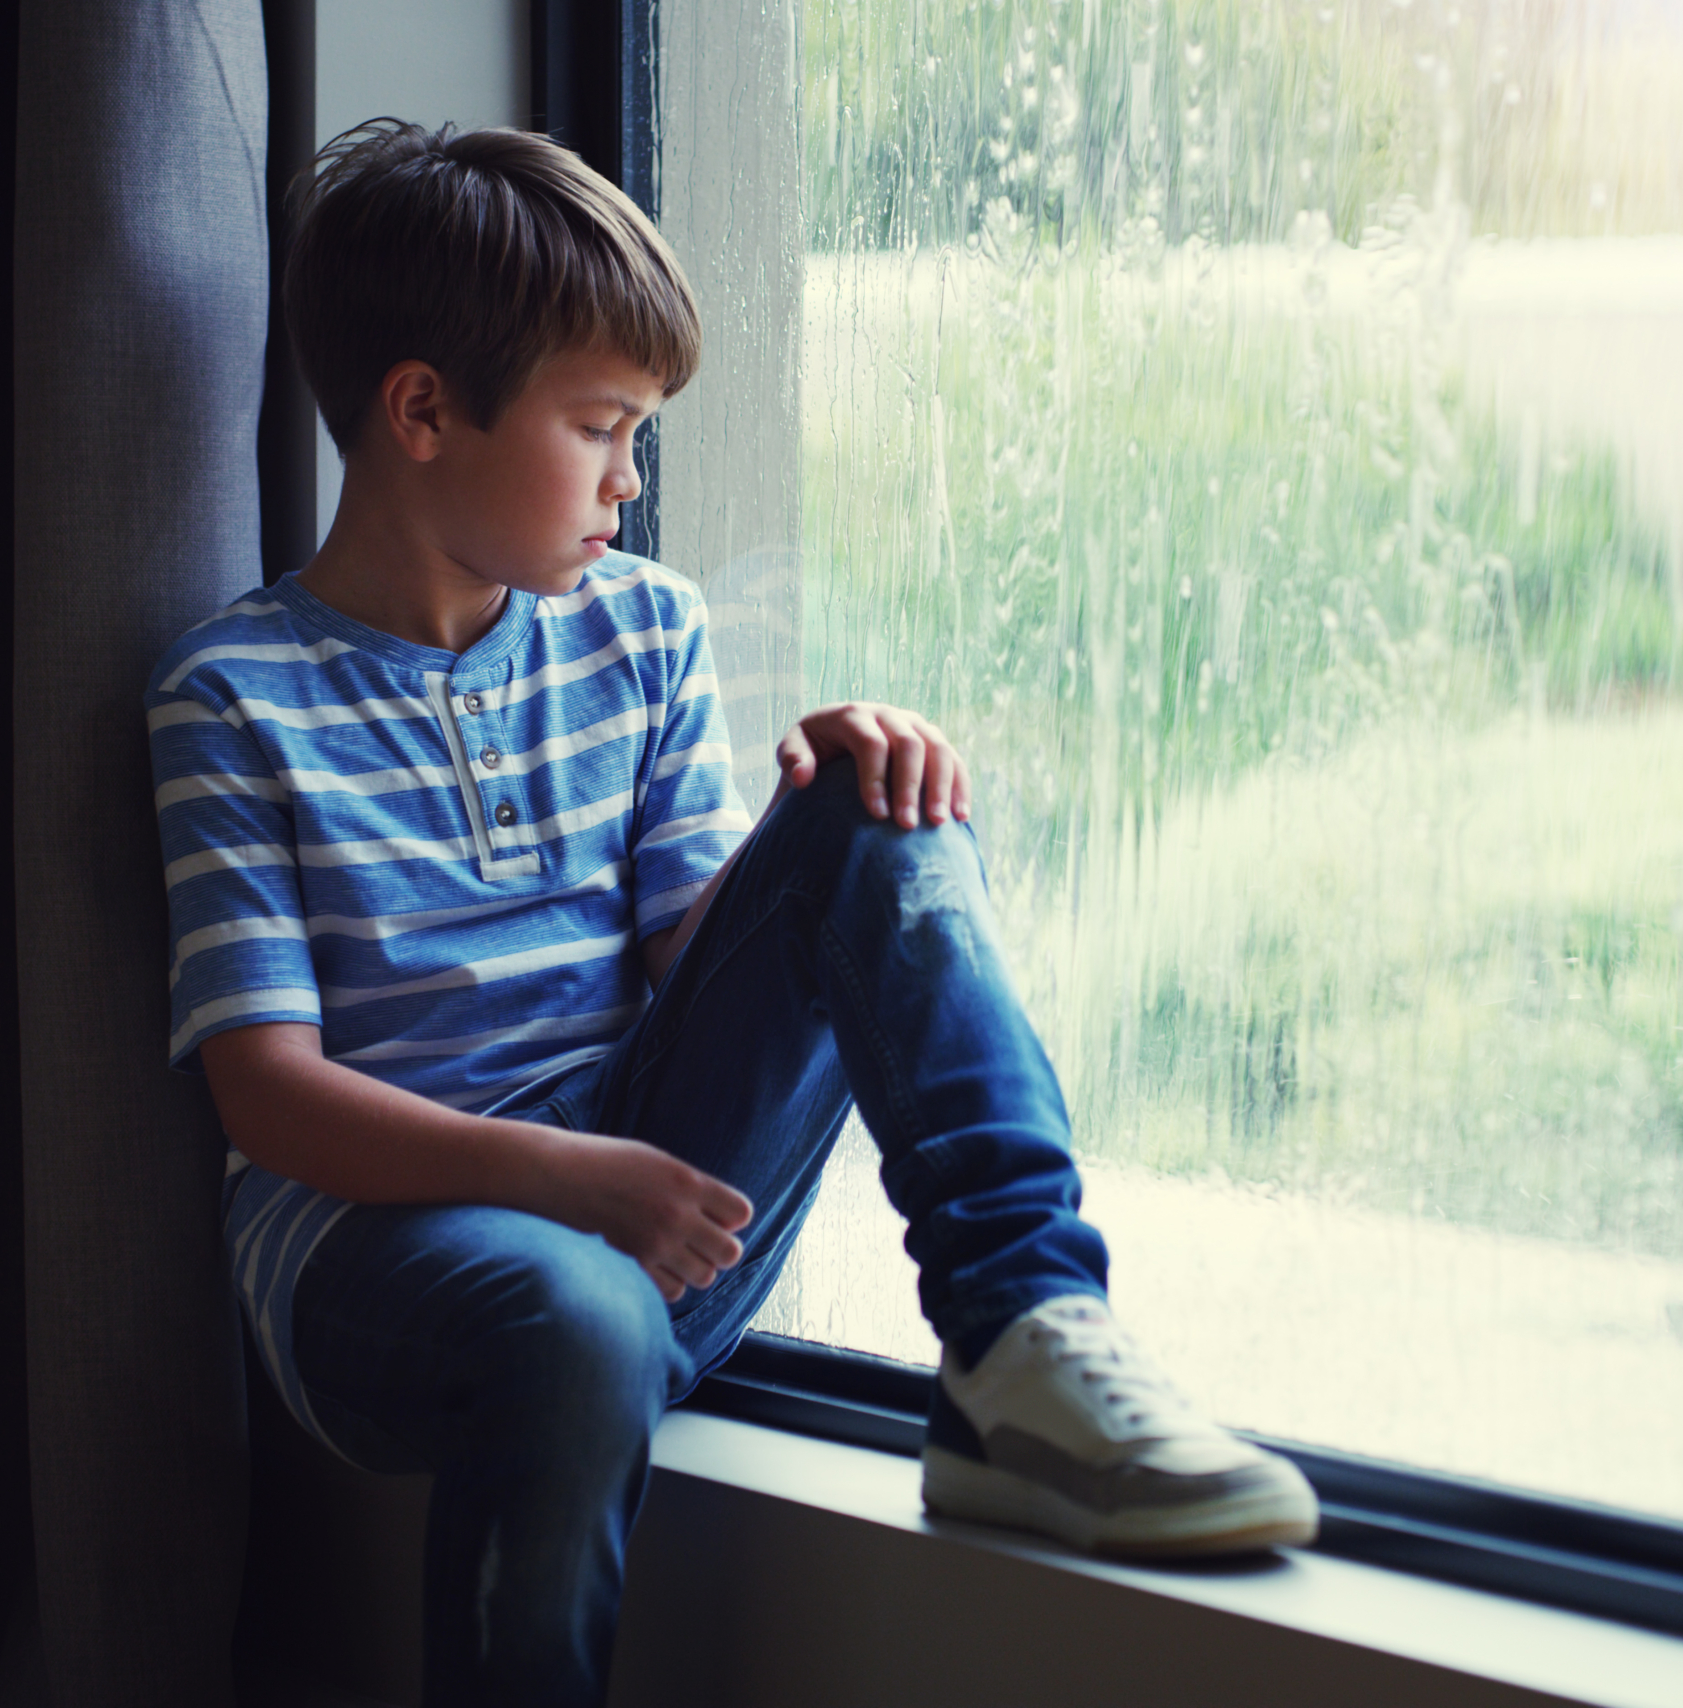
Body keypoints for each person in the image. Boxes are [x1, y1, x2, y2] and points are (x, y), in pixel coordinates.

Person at [147, 118, 1316, 1706]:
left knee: (871, 802)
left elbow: (687, 960)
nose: (632, 483)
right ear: (422, 410)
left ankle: (1023, 1341)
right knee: (578, 1317)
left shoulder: (640, 631)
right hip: (379, 1258)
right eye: (603, 427)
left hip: (641, 1185)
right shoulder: (233, 696)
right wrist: (567, 1178)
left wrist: (807, 836)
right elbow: (265, 1097)